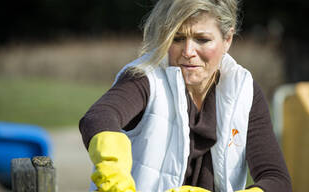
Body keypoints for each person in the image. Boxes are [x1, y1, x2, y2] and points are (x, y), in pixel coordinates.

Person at [79, 0, 292, 191]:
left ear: (227, 39)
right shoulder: (145, 77)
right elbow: (99, 117)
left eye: (202, 39)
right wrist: (113, 171)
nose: (188, 51)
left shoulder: (244, 90)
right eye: (177, 38)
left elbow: (276, 179)